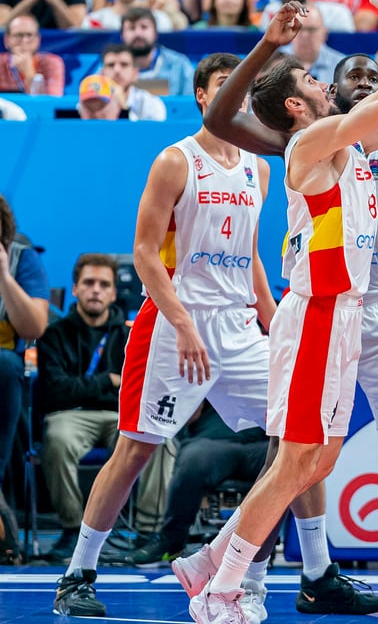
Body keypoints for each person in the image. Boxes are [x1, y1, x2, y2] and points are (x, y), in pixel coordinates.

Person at [180, 0, 378, 624]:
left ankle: (212, 562)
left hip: (343, 316)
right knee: (295, 460)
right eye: (314, 82)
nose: (323, 83)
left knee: (315, 459)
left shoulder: (347, 145)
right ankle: (225, 588)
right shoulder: (312, 141)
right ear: (296, 105)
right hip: (317, 311)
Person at [51, 53, 276, 618]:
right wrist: (182, 323)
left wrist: (274, 322)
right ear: (203, 96)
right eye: (228, 85)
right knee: (135, 450)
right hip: (176, 321)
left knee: (297, 436)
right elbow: (146, 254)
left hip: (239, 323)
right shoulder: (176, 160)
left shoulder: (259, 167)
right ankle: (78, 574)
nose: (240, 94)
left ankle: (255, 565)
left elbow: (248, 254)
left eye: (245, 86)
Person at [36, 254, 163, 564]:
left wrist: (87, 385)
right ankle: (72, 530)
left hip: (119, 415)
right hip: (71, 415)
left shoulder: (130, 334)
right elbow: (55, 393)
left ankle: (148, 532)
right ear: (75, 289)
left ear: (114, 292)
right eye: (88, 283)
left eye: (104, 284)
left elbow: (143, 386)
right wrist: (109, 380)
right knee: (58, 437)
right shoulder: (54, 335)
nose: (96, 290)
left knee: (159, 436)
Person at [124, 402, 269, 567]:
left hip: (266, 443)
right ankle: (171, 543)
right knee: (193, 459)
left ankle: (288, 547)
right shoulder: (203, 375)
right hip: (213, 440)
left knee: (290, 461)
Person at [0, 193, 50, 542]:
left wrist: (4, 275)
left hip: (2, 369)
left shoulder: (21, 258)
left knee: (4, 364)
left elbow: (33, 327)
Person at [121, 7, 196, 97]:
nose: (138, 33)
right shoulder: (110, 66)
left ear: (155, 33)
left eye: (144, 27)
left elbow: (191, 104)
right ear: (122, 35)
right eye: (132, 28)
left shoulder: (179, 64)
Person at [96, 44, 167, 121]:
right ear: (101, 74)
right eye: (111, 65)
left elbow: (154, 132)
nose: (117, 70)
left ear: (135, 73)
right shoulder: (90, 102)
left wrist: (123, 107)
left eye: (124, 64)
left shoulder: (151, 104)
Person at [0, 13, 66, 95]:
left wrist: (29, 74)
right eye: (18, 35)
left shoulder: (52, 63)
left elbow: (51, 101)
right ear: (6, 40)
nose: (24, 41)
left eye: (29, 35)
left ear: (38, 39)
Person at [279, 7, 345, 84]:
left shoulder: (343, 66)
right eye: (299, 29)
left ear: (324, 33)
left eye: (311, 29)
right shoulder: (274, 62)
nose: (305, 35)